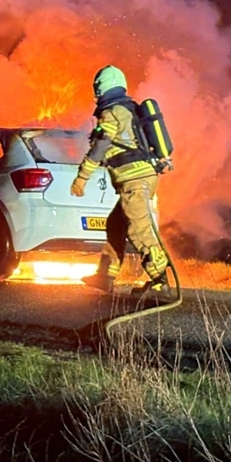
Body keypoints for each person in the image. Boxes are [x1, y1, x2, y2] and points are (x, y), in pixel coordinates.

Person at [70, 65, 170, 293]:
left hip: (134, 179)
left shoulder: (112, 112)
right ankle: (105, 275)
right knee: (116, 224)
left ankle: (160, 282)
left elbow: (101, 144)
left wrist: (82, 178)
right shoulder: (128, 108)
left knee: (139, 230)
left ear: (101, 87)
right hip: (140, 176)